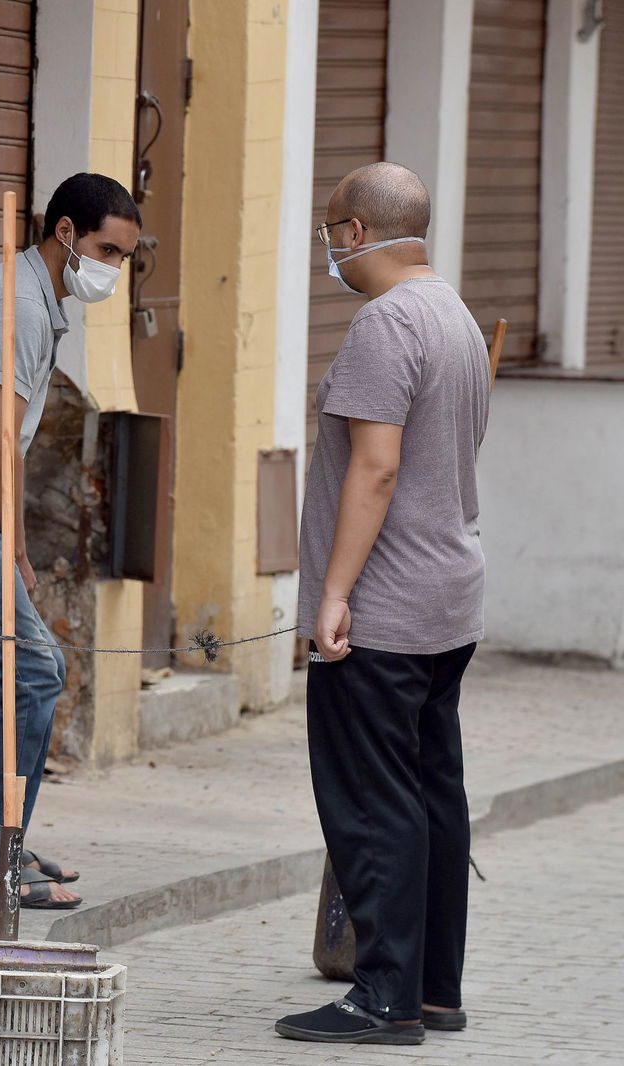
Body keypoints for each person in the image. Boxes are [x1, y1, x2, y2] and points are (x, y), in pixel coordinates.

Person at [276, 162, 490, 1046]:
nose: (329, 247)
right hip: (450, 595)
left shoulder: (385, 323)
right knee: (435, 791)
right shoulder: (458, 317)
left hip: (383, 609)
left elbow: (378, 465)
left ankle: (384, 998)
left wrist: (333, 592)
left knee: (373, 800)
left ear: (358, 231)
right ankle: (436, 989)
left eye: (332, 230)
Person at [0, 174, 141, 908]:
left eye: (126, 257)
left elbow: (7, 444)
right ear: (66, 233)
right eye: (107, 249)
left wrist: (11, 541)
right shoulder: (14, 300)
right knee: (34, 675)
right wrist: (9, 539)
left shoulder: (35, 299)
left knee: (31, 674)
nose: (113, 268)